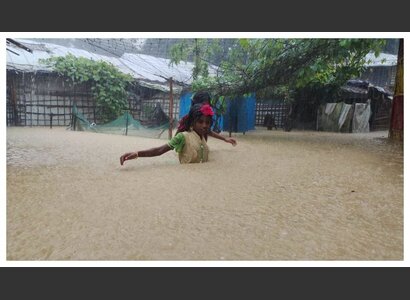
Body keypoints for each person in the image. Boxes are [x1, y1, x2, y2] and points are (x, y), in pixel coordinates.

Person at [120, 103, 216, 165]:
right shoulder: (183, 137)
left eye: (207, 122)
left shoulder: (202, 138)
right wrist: (137, 153)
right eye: (200, 121)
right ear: (192, 122)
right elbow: (160, 150)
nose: (204, 125)